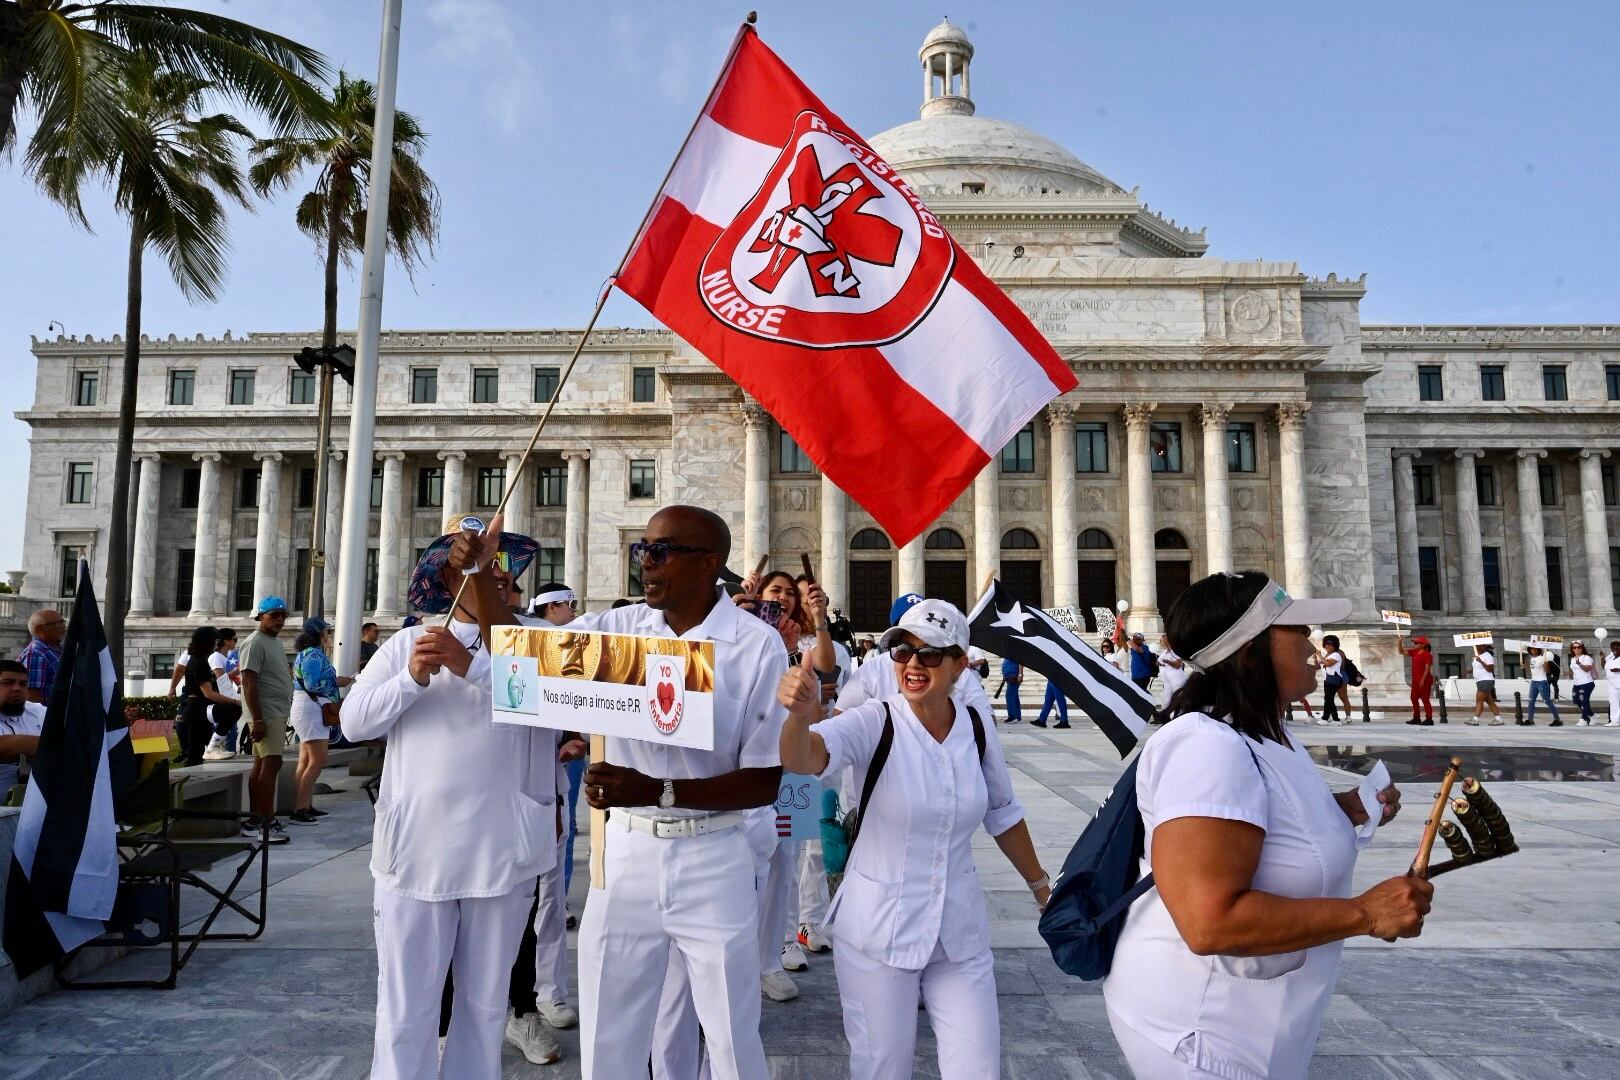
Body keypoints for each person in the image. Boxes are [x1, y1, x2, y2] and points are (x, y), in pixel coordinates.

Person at [1104, 570, 1427, 1080]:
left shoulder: (1269, 734)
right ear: (1249, 649)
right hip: (1201, 1033)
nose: (1311, 642)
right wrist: (1365, 913)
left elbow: (1265, 827)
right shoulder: (1205, 747)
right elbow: (1210, 921)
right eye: (1295, 629)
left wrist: (1343, 812)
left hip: (1254, 1024)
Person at [778, 599, 1051, 1080]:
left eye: (930, 654)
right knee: (884, 1067)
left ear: (960, 663)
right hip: (879, 931)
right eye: (902, 651)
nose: (913, 664)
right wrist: (800, 717)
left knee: (978, 1067)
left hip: (958, 931)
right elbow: (805, 760)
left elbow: (1003, 813)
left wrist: (1040, 885)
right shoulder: (874, 720)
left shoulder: (975, 726)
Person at [559, 505, 784, 1080]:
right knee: (609, 1032)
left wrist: (655, 789)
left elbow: (763, 781)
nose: (646, 563)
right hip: (627, 854)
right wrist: (481, 578)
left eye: (660, 551)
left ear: (709, 562)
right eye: (642, 550)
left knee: (732, 1034)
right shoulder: (617, 631)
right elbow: (517, 657)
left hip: (713, 855)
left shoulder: (756, 646)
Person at [346, 510, 561, 1078]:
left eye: (501, 570)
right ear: (447, 581)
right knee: (405, 1007)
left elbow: (550, 700)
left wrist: (470, 667)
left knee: (485, 1007)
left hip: (502, 853)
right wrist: (411, 680)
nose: (494, 576)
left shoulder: (542, 642)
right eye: (476, 566)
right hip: (415, 853)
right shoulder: (405, 644)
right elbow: (353, 723)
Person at [505, 581, 585, 1062]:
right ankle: (477, 1013)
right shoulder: (515, 647)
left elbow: (576, 718)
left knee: (549, 899)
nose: (572, 612)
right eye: (565, 605)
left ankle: (543, 995)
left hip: (549, 794)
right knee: (501, 910)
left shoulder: (569, 656)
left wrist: (576, 739)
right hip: (498, 802)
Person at [239, 597, 294, 843]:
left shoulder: (273, 642)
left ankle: (254, 819)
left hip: (274, 712)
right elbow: (248, 682)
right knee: (272, 765)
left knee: (262, 765)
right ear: (260, 616)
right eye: (274, 615)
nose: (280, 619)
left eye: (283, 615)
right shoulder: (254, 643)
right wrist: (258, 719)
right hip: (266, 714)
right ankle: (266, 823)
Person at [288, 618, 353, 825]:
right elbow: (313, 683)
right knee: (318, 760)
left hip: (307, 706)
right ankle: (299, 808)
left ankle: (304, 804)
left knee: (306, 761)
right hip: (311, 708)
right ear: (319, 634)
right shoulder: (313, 655)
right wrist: (337, 681)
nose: (329, 635)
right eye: (327, 631)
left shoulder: (305, 654)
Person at [177, 627, 240, 770]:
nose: (216, 644)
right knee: (194, 755)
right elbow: (209, 693)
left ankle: (212, 747)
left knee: (196, 754)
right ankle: (213, 748)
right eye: (215, 640)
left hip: (198, 709)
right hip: (198, 710)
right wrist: (235, 701)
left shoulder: (198, 660)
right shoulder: (199, 662)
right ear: (207, 642)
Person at [0, 660, 45, 797]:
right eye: (7, 683)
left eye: (23, 684)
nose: (17, 688)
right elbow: (4, 747)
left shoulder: (38, 712)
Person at [202, 628, 243, 760]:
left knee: (232, 725)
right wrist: (238, 671)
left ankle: (220, 747)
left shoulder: (225, 657)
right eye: (234, 639)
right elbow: (221, 680)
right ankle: (214, 747)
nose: (236, 642)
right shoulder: (216, 657)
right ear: (226, 641)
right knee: (229, 723)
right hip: (221, 699)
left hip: (228, 695)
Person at [18, 608, 65, 705]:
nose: (63, 627)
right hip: (48, 718)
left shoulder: (54, 650)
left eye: (62, 622)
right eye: (57, 623)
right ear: (40, 629)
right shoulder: (36, 655)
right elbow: (32, 699)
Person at [1401, 635, 1435, 726]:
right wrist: (1399, 641)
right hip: (1415, 680)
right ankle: (1416, 717)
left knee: (1425, 699)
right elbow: (1401, 651)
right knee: (1414, 698)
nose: (1414, 644)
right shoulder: (1414, 652)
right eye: (1414, 643)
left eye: (1416, 643)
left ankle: (1429, 719)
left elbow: (1427, 669)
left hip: (1424, 680)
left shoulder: (1427, 655)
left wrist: (1422, 680)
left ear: (1423, 645)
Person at [1467, 642, 1503, 726]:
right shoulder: (1477, 656)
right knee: (1490, 701)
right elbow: (1478, 669)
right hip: (1480, 681)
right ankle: (1498, 719)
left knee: (1479, 700)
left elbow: (1490, 669)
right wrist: (1469, 671)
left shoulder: (1487, 655)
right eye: (1477, 645)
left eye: (1481, 645)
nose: (1479, 647)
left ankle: (1475, 719)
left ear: (1484, 646)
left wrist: (1480, 661)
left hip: (1485, 681)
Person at [1525, 646, 1560, 726]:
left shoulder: (1542, 658)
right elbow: (1533, 671)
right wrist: (1524, 666)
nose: (1532, 650)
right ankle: (1530, 720)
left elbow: (1547, 671)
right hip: (1534, 682)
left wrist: (1545, 663)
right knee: (1531, 701)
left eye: (1534, 649)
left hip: (1542, 682)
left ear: (1538, 650)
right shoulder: (1531, 659)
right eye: (1531, 649)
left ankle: (1558, 720)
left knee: (1547, 701)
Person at [1316, 635, 1346, 725]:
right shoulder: (1328, 655)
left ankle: (1325, 718)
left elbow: (1328, 664)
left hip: (1334, 679)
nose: (1327, 646)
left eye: (1330, 645)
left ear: (1335, 646)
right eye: (1326, 644)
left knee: (1328, 699)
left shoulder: (1336, 654)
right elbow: (1321, 665)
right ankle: (1336, 719)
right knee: (1329, 699)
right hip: (1328, 679)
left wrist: (1319, 655)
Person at [1570, 641, 1597, 726]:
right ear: (1572, 649)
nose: (1577, 649)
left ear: (1582, 648)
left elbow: (1587, 669)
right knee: (1576, 700)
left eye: (1579, 647)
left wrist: (1580, 664)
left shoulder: (1586, 657)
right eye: (1574, 647)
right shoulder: (1572, 659)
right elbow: (1574, 670)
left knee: (1583, 701)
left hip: (1586, 682)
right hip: (1577, 683)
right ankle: (1592, 715)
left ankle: (1584, 719)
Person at [1157, 635, 1188, 707]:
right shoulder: (1165, 652)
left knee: (1178, 697)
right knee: (1166, 700)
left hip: (1176, 679)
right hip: (1167, 680)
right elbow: (1158, 662)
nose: (1161, 642)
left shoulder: (1175, 651)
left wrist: (1168, 662)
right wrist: (1162, 663)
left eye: (1163, 640)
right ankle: (1166, 715)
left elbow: (1178, 665)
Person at [999, 655, 1023, 723]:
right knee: (1014, 697)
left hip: (1014, 675)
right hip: (1010, 676)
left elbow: (1021, 662)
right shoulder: (1009, 651)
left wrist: (1020, 675)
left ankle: (1012, 716)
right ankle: (1018, 716)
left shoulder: (1015, 650)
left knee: (1009, 696)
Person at [1605, 640, 1620, 726]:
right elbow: (1604, 666)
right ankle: (1614, 721)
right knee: (1613, 702)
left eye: (1617, 648)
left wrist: (1617, 670)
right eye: (1612, 648)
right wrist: (1602, 657)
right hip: (1612, 684)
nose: (1614, 649)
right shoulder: (1611, 657)